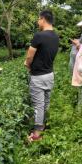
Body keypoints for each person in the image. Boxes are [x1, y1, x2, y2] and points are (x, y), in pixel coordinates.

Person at [24, 11, 59, 142]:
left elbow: (29, 56)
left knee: (38, 104)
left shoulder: (38, 36)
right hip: (49, 74)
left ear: (43, 19)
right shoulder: (56, 36)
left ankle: (37, 134)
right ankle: (43, 126)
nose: (38, 22)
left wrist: (27, 64)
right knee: (45, 102)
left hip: (38, 76)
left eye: (39, 19)